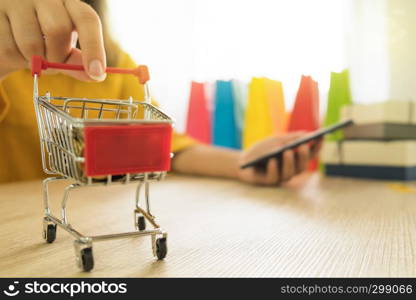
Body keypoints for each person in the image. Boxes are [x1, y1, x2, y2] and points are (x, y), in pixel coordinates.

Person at [0, 0, 319, 185]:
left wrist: (243, 163)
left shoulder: (113, 63)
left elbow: (169, 147)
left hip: (96, 213)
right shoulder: (11, 63)